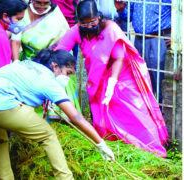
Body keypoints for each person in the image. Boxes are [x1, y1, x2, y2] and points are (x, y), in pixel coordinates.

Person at [0, 49, 115, 180]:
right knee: (48, 136)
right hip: (2, 106)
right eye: (68, 73)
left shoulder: (25, 64)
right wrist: (100, 143)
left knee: (0, 140)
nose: (68, 78)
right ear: (55, 66)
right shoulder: (49, 81)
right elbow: (76, 117)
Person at [55, 0, 168, 157]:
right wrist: (59, 71)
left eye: (92, 22)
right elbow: (61, 49)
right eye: (84, 23)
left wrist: (112, 83)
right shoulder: (76, 31)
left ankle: (150, 150)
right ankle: (112, 147)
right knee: (103, 114)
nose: (89, 26)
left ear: (99, 17)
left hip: (122, 76)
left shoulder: (110, 28)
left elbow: (118, 59)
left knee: (133, 113)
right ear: (78, 21)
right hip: (97, 78)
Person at [11, 0, 80, 120]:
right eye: (38, 3)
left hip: (53, 63)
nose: (42, 6)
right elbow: (15, 39)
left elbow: (63, 45)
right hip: (29, 63)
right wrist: (16, 61)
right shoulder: (23, 13)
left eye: (46, 3)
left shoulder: (56, 16)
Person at [131, 0, 172, 102]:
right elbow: (128, 15)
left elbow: (180, 11)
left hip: (158, 39)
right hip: (139, 40)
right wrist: (121, 9)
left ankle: (161, 112)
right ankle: (148, 113)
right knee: (141, 80)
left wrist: (178, 34)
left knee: (159, 80)